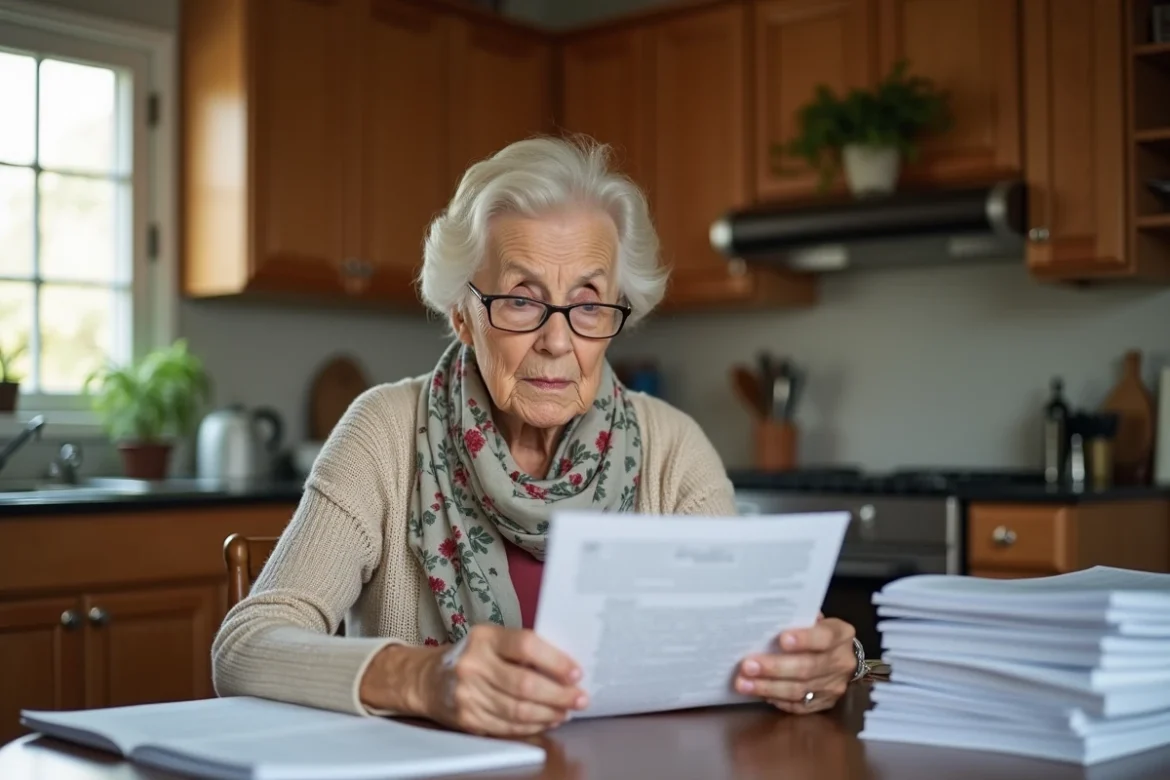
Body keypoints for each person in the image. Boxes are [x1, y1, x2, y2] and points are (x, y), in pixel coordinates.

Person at [211, 136, 865, 738]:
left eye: (588, 304)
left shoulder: (671, 447)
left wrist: (822, 662)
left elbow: (741, 644)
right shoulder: (385, 431)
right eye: (522, 300)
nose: (558, 341)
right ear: (463, 316)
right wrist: (421, 678)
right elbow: (245, 645)